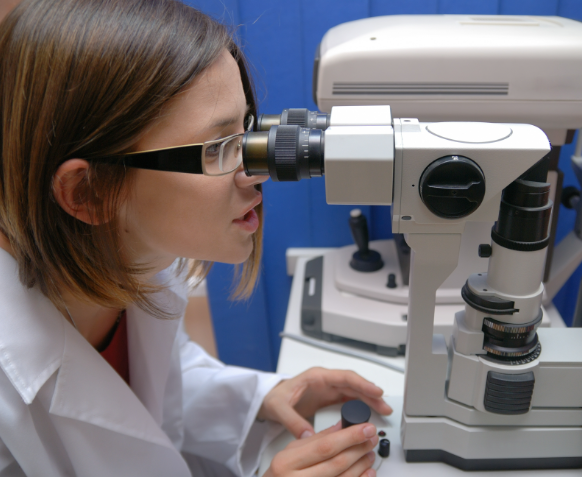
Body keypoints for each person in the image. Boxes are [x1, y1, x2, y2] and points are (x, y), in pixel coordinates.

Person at [0, 1, 392, 476]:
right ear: (87, 192)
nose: (257, 174)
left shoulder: (136, 260)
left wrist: (258, 399)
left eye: (245, 130)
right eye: (216, 148)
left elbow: (151, 389)